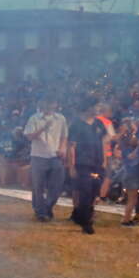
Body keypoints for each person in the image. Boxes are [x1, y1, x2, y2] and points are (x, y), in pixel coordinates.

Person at [23, 98, 68, 221]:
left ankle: (47, 207)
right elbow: (29, 136)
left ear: (55, 104)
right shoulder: (34, 118)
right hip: (38, 155)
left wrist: (63, 148)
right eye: (47, 103)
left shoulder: (61, 119)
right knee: (38, 186)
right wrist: (43, 128)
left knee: (57, 185)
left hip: (55, 156)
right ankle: (41, 212)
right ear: (42, 104)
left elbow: (64, 136)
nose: (49, 105)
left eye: (52, 102)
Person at [67, 102, 108, 234]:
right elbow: (71, 146)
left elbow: (103, 143)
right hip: (82, 163)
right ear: (88, 108)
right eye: (95, 107)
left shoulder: (99, 124)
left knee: (95, 191)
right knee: (85, 192)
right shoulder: (76, 125)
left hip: (97, 163)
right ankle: (86, 223)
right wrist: (71, 166)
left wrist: (104, 160)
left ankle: (79, 215)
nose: (98, 109)